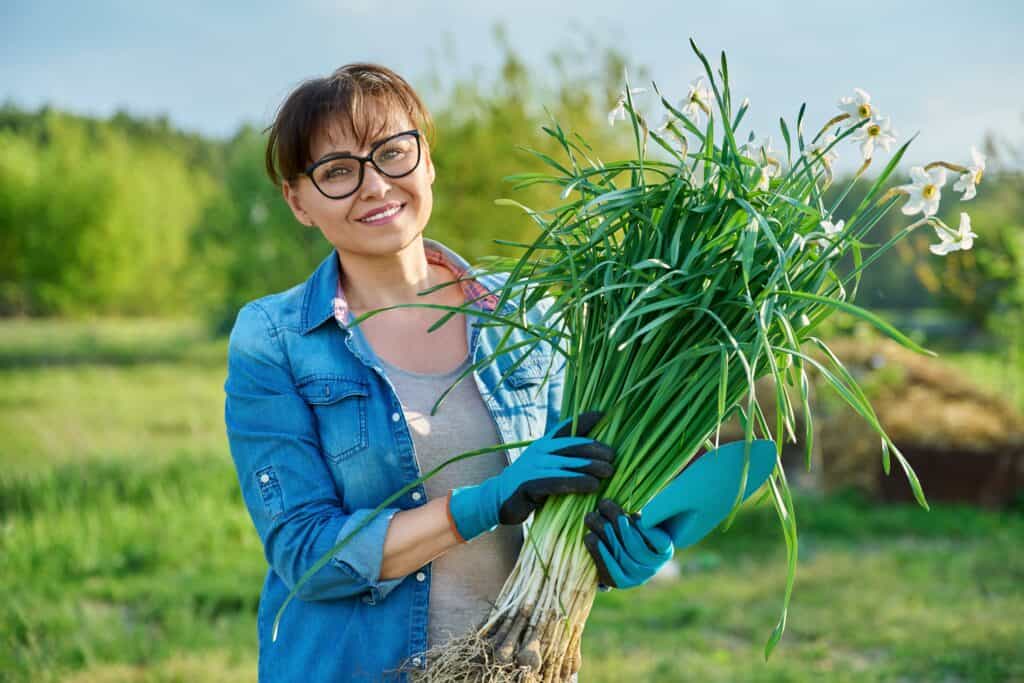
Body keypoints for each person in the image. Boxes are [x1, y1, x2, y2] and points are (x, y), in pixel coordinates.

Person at [223, 63, 673, 683]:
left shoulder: (526, 317)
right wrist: (484, 504)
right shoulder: (275, 339)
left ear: (427, 161)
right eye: (337, 172)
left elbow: (571, 493)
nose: (375, 185)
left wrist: (617, 550)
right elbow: (306, 554)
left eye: (392, 153)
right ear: (298, 201)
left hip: (522, 667)